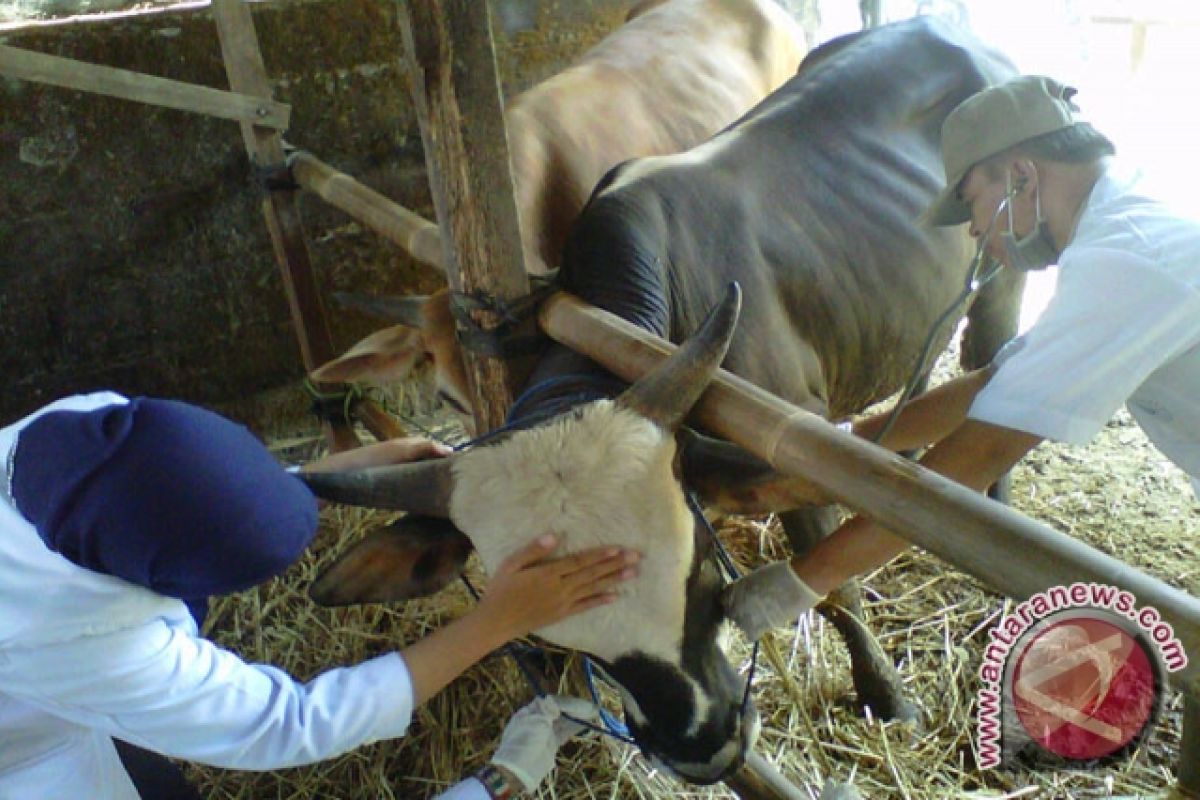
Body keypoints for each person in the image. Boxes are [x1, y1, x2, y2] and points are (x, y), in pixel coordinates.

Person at [724, 74, 1200, 639]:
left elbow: (976, 457)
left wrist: (799, 582)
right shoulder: (1122, 227)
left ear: (1022, 175)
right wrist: (839, 447)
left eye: (974, 200)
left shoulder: (1125, 263)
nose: (976, 229)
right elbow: (993, 385)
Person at [0, 391, 640, 799]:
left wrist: (306, 482)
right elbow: (289, 724)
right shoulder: (76, 641)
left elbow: (165, 487)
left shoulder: (77, 434)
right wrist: (494, 621)